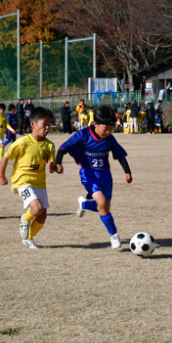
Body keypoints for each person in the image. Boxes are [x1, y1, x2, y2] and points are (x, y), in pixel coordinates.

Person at [56, 105, 132, 250]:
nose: (109, 131)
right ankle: (114, 236)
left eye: (112, 128)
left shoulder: (110, 139)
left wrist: (127, 172)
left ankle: (83, 204)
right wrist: (58, 163)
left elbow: (120, 155)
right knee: (102, 203)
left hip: (106, 176)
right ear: (95, 124)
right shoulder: (84, 134)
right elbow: (63, 148)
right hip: (89, 175)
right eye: (106, 128)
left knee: (103, 207)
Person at [0, 105, 59, 250]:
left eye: (49, 125)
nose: (47, 128)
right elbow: (6, 157)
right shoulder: (22, 142)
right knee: (37, 208)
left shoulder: (50, 146)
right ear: (33, 124)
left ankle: (28, 239)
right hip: (23, 181)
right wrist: (2, 176)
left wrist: (53, 167)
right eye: (44, 124)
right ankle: (24, 220)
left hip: (39, 183)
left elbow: (51, 169)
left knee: (42, 216)